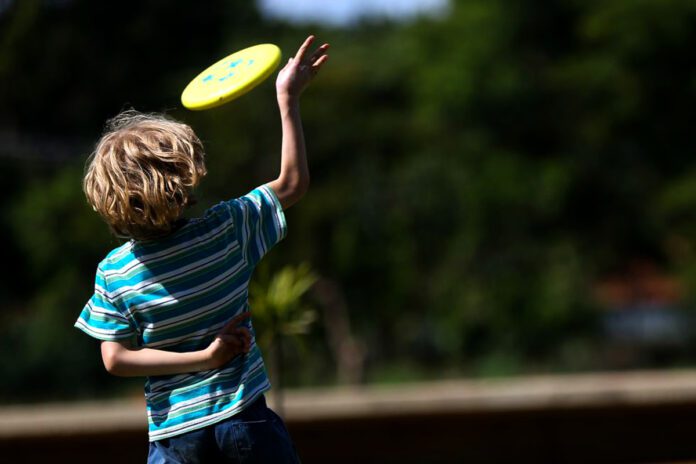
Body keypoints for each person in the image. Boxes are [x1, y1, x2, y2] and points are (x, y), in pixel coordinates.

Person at [74, 35, 329, 463]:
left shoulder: (115, 271)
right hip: (244, 420)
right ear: (181, 178)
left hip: (175, 438)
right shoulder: (225, 231)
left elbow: (115, 359)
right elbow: (291, 184)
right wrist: (288, 98)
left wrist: (200, 357)